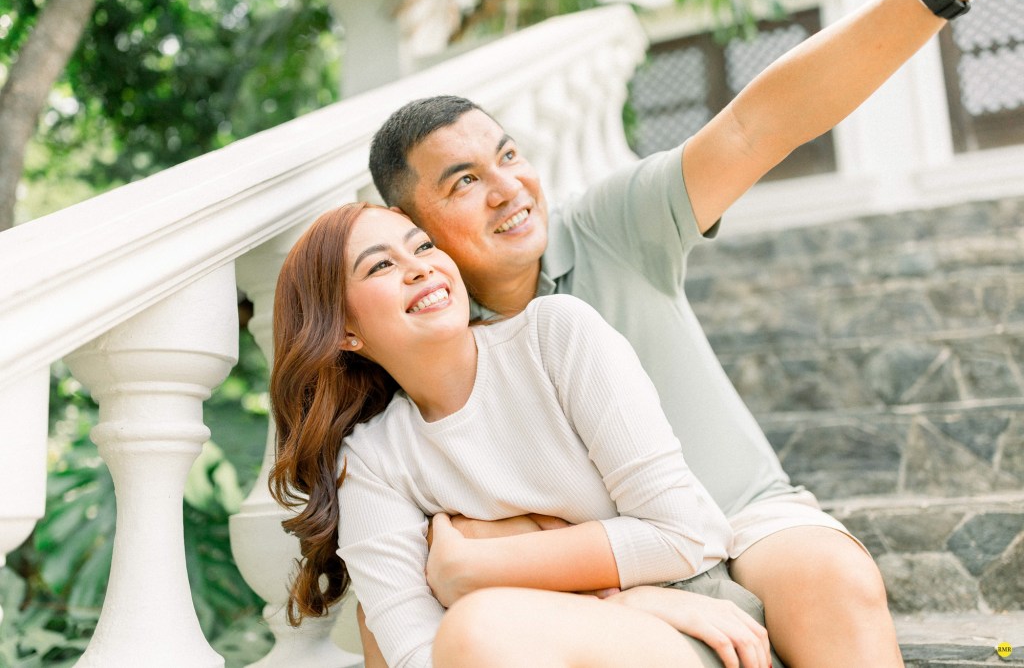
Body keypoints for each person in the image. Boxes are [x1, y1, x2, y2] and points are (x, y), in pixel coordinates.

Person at [361, 0, 999, 665]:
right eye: (464, 181)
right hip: (596, 576)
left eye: (510, 156)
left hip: (743, 519)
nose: (508, 188)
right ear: (409, 225)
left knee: (832, 576)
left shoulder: (609, 225)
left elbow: (757, 126)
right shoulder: (427, 348)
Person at [269, 202, 782, 668]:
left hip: (698, 620)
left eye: (423, 246)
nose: (421, 267)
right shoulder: (372, 458)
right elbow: (416, 656)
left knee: (479, 628)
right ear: (344, 331)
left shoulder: (554, 335)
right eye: (380, 265)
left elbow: (680, 535)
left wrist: (470, 567)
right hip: (566, 632)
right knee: (449, 634)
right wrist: (621, 600)